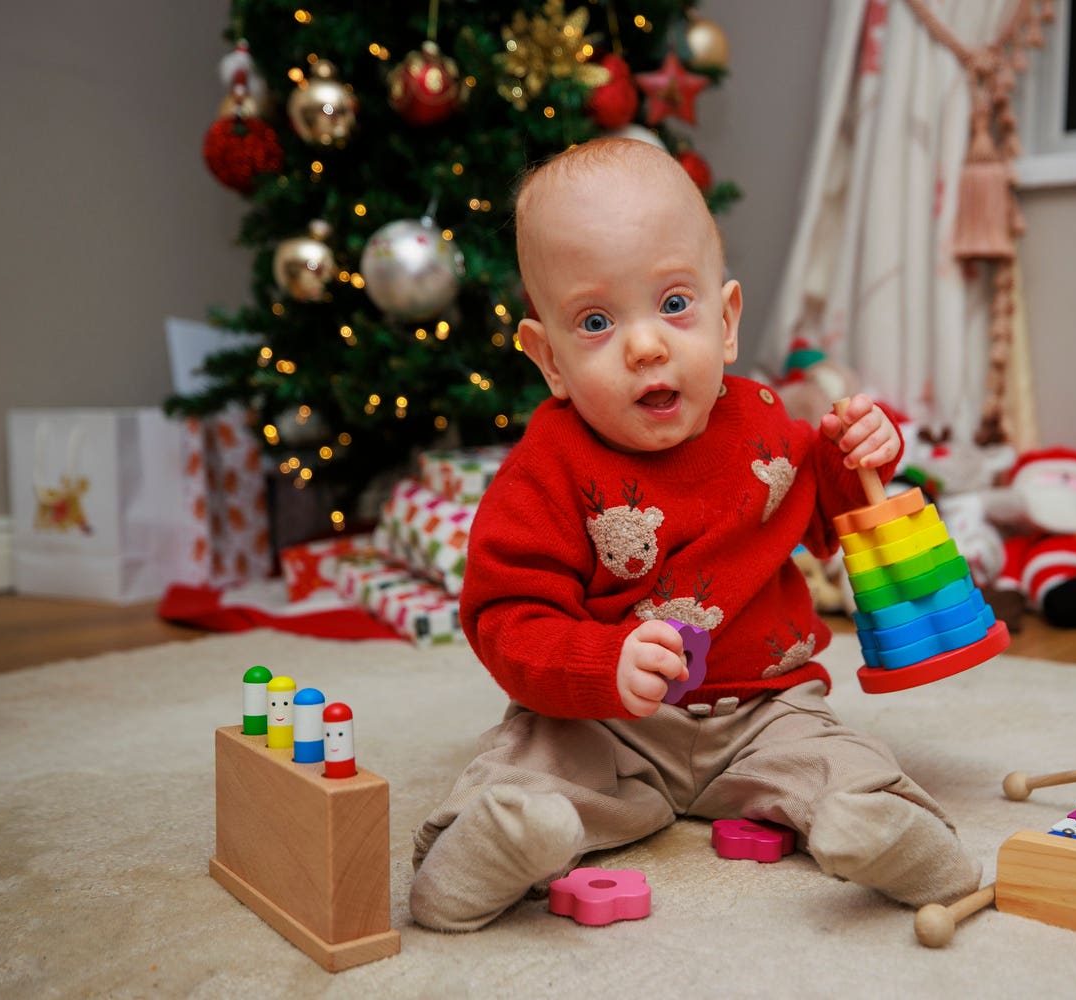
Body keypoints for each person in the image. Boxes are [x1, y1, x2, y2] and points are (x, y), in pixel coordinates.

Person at [409, 137, 983, 931]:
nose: (647, 345)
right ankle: (496, 843)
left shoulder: (768, 425)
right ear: (550, 360)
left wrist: (865, 455)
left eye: (675, 305)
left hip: (765, 709)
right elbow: (506, 619)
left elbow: (840, 515)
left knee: (833, 756)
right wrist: (600, 664)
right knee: (532, 760)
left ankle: (877, 825)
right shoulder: (546, 468)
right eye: (597, 320)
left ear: (727, 318)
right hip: (606, 722)